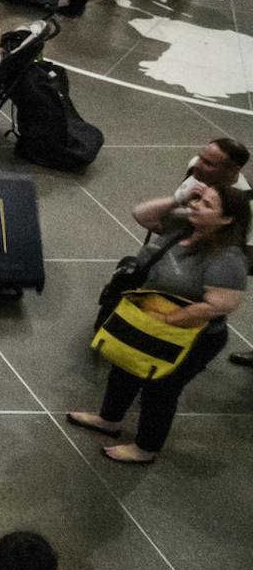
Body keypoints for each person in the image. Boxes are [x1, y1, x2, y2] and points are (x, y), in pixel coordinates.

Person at [68, 182, 247, 463]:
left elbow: (219, 305)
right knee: (124, 367)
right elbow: (141, 214)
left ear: (227, 219)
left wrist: (168, 319)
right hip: (148, 320)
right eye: (198, 199)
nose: (197, 205)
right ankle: (109, 419)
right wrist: (179, 198)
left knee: (160, 389)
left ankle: (146, 448)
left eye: (207, 205)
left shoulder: (227, 259)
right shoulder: (182, 225)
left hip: (189, 335)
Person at [177, 136, 249, 203]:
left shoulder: (240, 200)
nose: (197, 165)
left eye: (208, 163)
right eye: (200, 157)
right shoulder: (196, 165)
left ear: (233, 170)